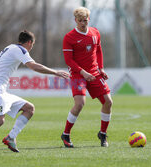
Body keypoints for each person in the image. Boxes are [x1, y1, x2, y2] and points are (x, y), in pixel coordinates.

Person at [0, 30, 69, 154]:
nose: (31, 48)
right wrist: (55, 72)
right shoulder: (21, 50)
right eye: (32, 45)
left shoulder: (9, 48)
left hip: (0, 89)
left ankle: (11, 137)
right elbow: (34, 66)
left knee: (29, 108)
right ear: (29, 42)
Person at [61, 7, 113, 147]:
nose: (83, 23)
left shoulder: (95, 33)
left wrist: (101, 68)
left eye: (85, 20)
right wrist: (83, 72)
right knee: (79, 104)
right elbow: (69, 61)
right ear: (75, 20)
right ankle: (66, 134)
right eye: (80, 21)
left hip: (94, 73)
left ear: (88, 19)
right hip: (78, 75)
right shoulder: (69, 37)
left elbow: (99, 51)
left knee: (108, 102)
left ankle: (102, 134)